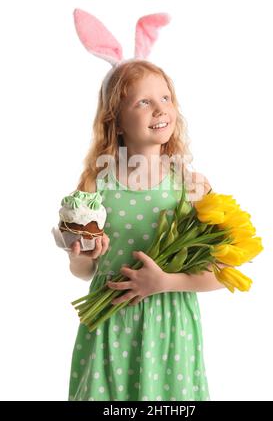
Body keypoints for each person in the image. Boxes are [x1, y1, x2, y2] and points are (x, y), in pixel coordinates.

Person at [67, 58, 227, 402]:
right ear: (116, 121)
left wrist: (164, 282)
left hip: (169, 327)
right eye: (143, 101)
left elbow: (223, 272)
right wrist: (79, 254)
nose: (160, 109)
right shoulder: (97, 184)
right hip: (110, 326)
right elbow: (84, 271)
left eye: (166, 98)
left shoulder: (191, 186)